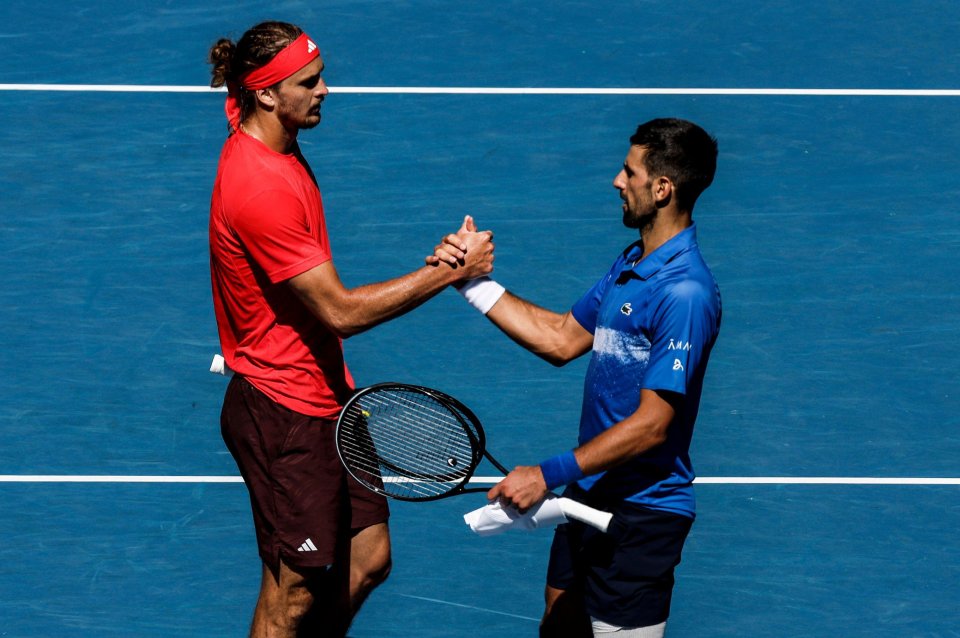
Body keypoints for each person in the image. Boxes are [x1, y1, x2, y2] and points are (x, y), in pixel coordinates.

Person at [206, 21, 494, 638]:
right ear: (264, 94)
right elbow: (339, 312)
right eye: (307, 83)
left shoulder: (267, 132)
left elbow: (241, 90)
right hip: (284, 410)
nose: (325, 90)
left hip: (327, 394)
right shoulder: (261, 186)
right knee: (291, 594)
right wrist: (448, 270)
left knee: (368, 561)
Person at [435, 118, 721, 637]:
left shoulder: (685, 293)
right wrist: (470, 283)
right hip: (590, 493)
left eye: (629, 172)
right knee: (558, 625)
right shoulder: (633, 264)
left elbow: (654, 425)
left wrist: (548, 473)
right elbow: (562, 338)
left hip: (642, 515)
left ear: (662, 188)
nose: (617, 180)